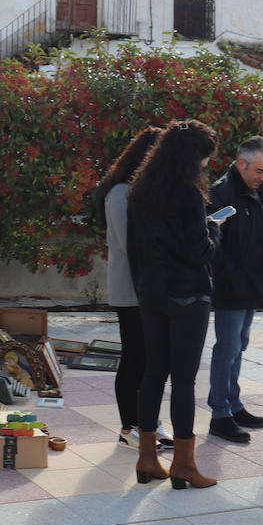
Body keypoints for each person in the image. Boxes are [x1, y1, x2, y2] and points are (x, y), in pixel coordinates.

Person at [127, 119, 225, 489]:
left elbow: (134, 248)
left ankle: (147, 458)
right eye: (203, 159)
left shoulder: (140, 190)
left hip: (151, 294)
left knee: (153, 375)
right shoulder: (187, 195)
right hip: (187, 297)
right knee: (183, 381)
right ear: (191, 158)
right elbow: (200, 252)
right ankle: (184, 465)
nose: (204, 166)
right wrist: (214, 229)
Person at [96, 127, 172, 450]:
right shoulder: (119, 194)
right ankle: (130, 426)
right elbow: (133, 246)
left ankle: (149, 422)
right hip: (130, 291)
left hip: (153, 288)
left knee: (153, 359)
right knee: (135, 358)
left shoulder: (147, 192)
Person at [207, 136, 263, 443]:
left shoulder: (254, 192)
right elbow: (215, 246)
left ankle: (234, 403)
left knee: (239, 345)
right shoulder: (221, 194)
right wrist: (237, 278)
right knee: (226, 349)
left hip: (251, 285)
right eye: (260, 171)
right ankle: (220, 413)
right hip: (231, 287)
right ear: (241, 164)